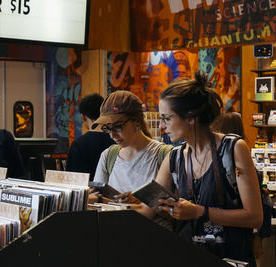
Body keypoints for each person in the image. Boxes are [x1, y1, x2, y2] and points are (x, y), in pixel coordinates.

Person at [142, 71, 262, 264]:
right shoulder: (175, 157)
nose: (163, 126)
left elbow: (255, 217)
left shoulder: (233, 148)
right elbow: (148, 208)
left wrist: (199, 212)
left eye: (167, 118)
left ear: (191, 117)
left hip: (231, 258)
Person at [91, 90, 172, 199]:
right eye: (107, 128)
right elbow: (97, 197)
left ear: (137, 121)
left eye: (118, 126)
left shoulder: (164, 155)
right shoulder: (108, 156)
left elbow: (171, 206)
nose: (112, 135)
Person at [67, 93, 115, 180]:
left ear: (83, 117)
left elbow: (73, 180)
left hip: (89, 192)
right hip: (116, 192)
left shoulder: (78, 144)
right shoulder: (116, 139)